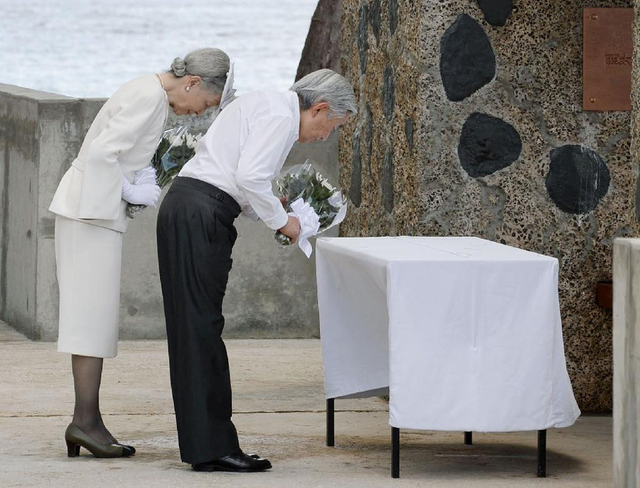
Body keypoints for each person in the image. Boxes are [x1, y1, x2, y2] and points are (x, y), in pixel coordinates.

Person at [156, 68, 357, 473]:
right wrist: (285, 223)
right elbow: (248, 177)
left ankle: (205, 445)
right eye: (331, 125)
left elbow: (239, 177)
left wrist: (271, 206)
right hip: (201, 212)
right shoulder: (282, 117)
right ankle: (213, 448)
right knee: (202, 331)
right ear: (318, 108)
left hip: (186, 205)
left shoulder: (263, 102)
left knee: (193, 330)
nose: (325, 135)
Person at [48, 47, 232, 458]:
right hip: (88, 213)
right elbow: (100, 154)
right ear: (192, 83)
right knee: (89, 322)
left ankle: (87, 420)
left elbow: (118, 151)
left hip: (91, 212)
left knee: (92, 322)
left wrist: (141, 174)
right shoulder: (149, 97)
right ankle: (85, 422)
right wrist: (130, 189)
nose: (198, 113)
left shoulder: (147, 91)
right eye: (205, 103)